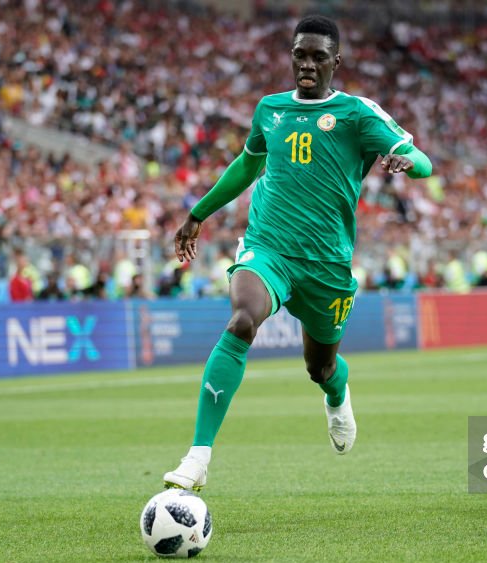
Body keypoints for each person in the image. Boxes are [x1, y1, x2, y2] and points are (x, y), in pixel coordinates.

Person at [164, 15, 432, 491]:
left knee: (320, 366)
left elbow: (425, 163)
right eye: (299, 55)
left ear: (336, 62)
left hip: (327, 265)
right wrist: (198, 213)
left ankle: (337, 393)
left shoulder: (357, 113)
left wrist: (406, 161)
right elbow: (247, 165)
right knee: (242, 319)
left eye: (317, 57)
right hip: (269, 249)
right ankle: (198, 456)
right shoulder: (270, 109)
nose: (307, 65)